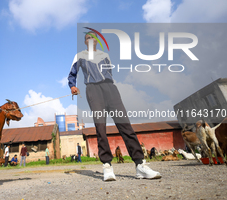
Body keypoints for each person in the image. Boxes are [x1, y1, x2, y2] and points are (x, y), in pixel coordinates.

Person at [68, 31, 161, 181]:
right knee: (100, 126)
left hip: (110, 88)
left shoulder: (105, 55)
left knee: (125, 124)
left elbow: (109, 72)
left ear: (97, 41)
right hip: (93, 90)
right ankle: (107, 165)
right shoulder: (79, 56)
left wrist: (107, 84)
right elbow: (72, 74)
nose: (90, 40)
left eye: (93, 37)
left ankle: (140, 165)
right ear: (85, 42)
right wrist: (72, 86)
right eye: (87, 38)